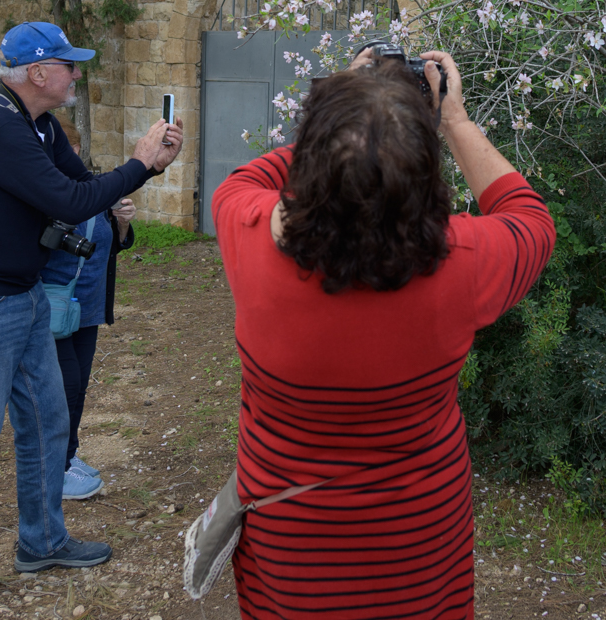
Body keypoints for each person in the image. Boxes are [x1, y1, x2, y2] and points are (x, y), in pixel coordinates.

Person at [211, 48, 555, 619]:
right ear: (423, 172)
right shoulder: (465, 263)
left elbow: (250, 179)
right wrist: (453, 121)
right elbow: (527, 216)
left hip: (291, 555)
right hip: (419, 552)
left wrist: (348, 113)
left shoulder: (242, 230)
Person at [0, 21, 183, 613]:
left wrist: (145, 167)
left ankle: (43, 540)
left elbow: (82, 186)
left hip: (21, 293)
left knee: (48, 422)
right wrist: (137, 164)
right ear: (38, 72)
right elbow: (71, 202)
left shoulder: (38, 125)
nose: (76, 74)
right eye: (69, 65)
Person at [42, 116, 136, 500]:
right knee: (63, 387)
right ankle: (55, 471)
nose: (73, 156)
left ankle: (68, 457)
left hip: (88, 305)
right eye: (67, 148)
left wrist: (122, 224)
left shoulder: (89, 187)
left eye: (77, 149)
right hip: (52, 305)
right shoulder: (42, 190)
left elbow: (111, 245)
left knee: (78, 385)